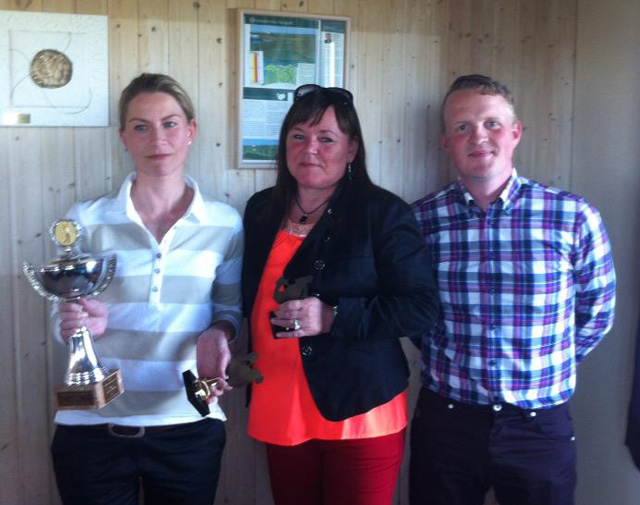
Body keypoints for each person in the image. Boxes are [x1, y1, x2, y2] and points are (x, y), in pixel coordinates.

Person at [409, 74, 617, 505]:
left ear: (516, 132)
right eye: (462, 126)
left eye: (492, 123)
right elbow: (412, 312)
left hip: (539, 427)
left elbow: (597, 312)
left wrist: (546, 362)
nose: (478, 137)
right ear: (446, 142)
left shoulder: (573, 217)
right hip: (447, 421)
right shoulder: (420, 221)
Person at [241, 84, 439, 505]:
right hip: (279, 405)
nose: (309, 148)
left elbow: (421, 309)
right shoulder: (260, 210)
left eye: (326, 138)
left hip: (361, 413)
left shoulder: (383, 213)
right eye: (298, 136)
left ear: (351, 149)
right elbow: (250, 302)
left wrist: (333, 317)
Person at [50, 73, 243, 505]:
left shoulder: (225, 223)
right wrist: (80, 324)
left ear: (191, 130)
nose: (158, 139)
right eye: (141, 126)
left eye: (170, 123)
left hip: (190, 426)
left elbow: (229, 309)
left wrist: (220, 333)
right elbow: (60, 321)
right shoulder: (85, 219)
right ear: (124, 136)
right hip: (92, 430)